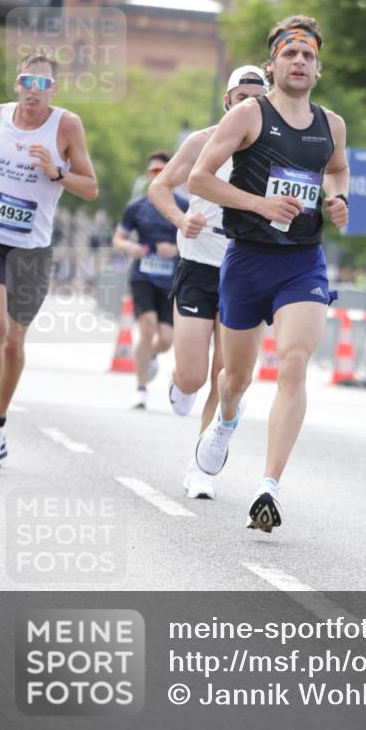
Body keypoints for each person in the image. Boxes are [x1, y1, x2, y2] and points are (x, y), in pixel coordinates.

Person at [189, 15, 349, 532]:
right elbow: (199, 178)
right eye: (289, 54)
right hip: (247, 260)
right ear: (273, 63)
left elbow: (338, 167)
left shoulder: (332, 124)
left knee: (294, 364)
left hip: (302, 262)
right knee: (235, 378)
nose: (298, 62)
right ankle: (226, 420)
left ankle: (269, 486)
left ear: (318, 69)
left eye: (307, 56)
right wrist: (259, 204)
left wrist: (337, 196)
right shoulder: (248, 117)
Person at [148, 66, 269, 500]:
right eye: (242, 97)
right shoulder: (202, 141)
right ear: (228, 102)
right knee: (194, 375)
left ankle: (199, 467)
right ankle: (179, 382)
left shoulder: (275, 147)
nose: (249, 104)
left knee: (228, 373)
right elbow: (160, 188)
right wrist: (182, 219)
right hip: (199, 265)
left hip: (248, 267)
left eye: (257, 97)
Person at [0, 50, 98, 466]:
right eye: (28, 81)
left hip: (33, 248)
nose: (34, 90)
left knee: (14, 342)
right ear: (16, 84)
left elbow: (91, 188)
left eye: (43, 84)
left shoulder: (66, 125)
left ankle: (0, 420)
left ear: (54, 90)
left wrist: (57, 173)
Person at [112, 152, 188, 409]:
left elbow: (196, 240)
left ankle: (150, 356)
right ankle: (141, 389)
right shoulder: (136, 207)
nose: (157, 176)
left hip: (171, 279)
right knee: (146, 327)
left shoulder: (183, 207)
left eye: (162, 172)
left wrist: (177, 249)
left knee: (166, 339)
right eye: (153, 172)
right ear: (148, 176)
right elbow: (118, 238)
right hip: (143, 275)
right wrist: (129, 246)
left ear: (172, 177)